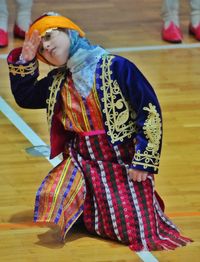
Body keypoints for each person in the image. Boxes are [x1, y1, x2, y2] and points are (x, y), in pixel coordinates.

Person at [7, 12, 192, 252]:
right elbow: (27, 97)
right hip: (82, 160)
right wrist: (26, 60)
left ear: (70, 31)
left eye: (50, 36)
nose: (48, 46)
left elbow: (150, 111)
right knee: (55, 199)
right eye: (42, 48)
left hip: (119, 159)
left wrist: (143, 161)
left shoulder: (117, 66)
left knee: (137, 230)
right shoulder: (59, 80)